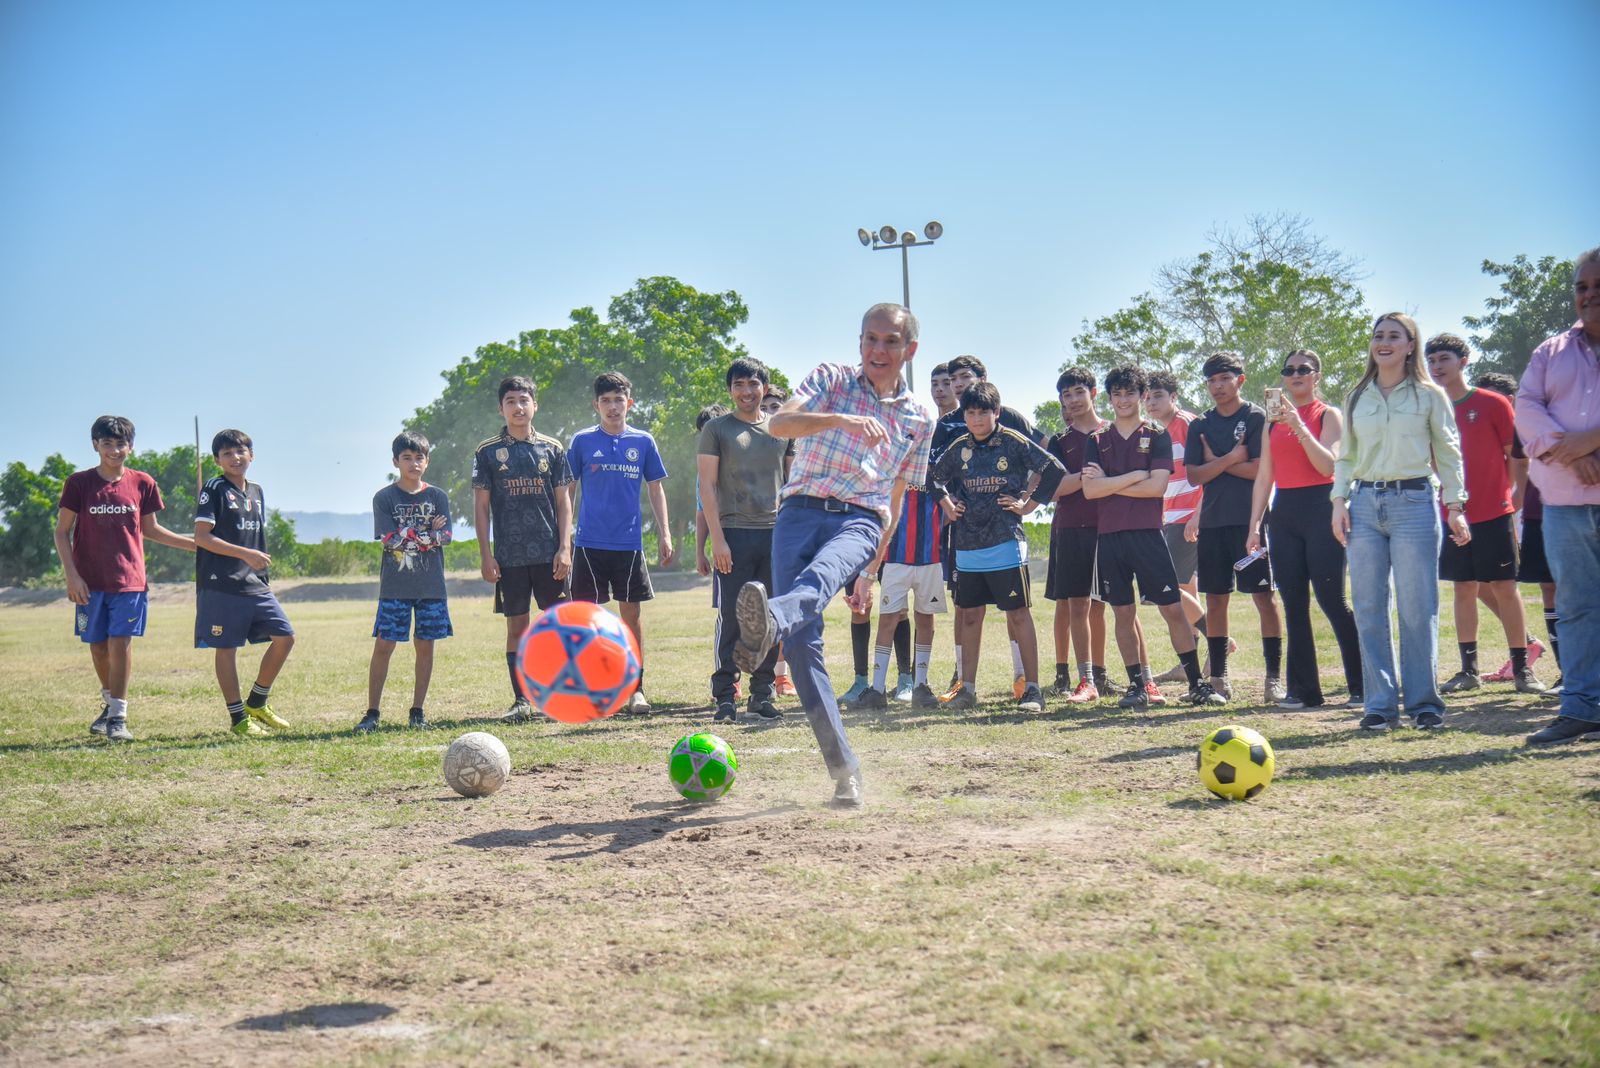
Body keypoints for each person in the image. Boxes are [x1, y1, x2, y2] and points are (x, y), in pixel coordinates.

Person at [732, 302, 935, 808]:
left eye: (890, 341)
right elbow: (780, 425)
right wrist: (841, 419)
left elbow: (899, 492)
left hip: (861, 520)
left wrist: (872, 566)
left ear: (909, 350)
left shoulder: (920, 417)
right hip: (798, 512)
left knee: (820, 580)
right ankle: (845, 770)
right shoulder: (831, 378)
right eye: (870, 339)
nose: (878, 350)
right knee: (802, 651)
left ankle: (772, 618)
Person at [1332, 313, 1468, 731]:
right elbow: (1347, 456)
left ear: (1411, 345)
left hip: (1415, 502)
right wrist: (1338, 499)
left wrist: (1456, 505)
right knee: (1370, 608)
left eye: (1394, 336)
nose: (1384, 342)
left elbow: (1448, 451)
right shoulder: (1357, 396)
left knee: (1417, 608)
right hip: (1365, 505)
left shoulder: (1430, 395)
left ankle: (1425, 704)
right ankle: (1379, 705)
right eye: (1378, 336)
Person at [1082, 365, 1220, 708]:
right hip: (1110, 538)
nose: (1123, 400)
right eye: (1117, 394)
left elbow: (1158, 486)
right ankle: (1136, 686)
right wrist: (1134, 476)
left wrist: (1110, 483)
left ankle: (1196, 683)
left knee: (1173, 609)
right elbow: (1089, 491)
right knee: (1123, 614)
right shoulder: (1096, 440)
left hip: (1148, 535)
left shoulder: (1156, 434)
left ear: (1142, 396)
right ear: (1110, 397)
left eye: (1130, 393)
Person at [54, 415, 195, 742]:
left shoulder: (142, 482)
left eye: (121, 444)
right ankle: (109, 703)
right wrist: (72, 576)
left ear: (130, 446)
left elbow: (151, 530)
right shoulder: (79, 484)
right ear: (95, 445)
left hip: (129, 581)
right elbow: (62, 532)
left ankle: (118, 716)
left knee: (120, 643)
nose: (115, 450)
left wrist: (195, 545)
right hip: (88, 583)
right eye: (107, 444)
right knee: (98, 648)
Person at [928, 382, 1065, 710]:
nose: (977, 420)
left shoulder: (1013, 442)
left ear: (996, 413)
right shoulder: (959, 446)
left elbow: (1053, 470)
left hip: (1006, 542)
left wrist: (1026, 504)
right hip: (968, 545)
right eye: (971, 413)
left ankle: (1032, 689)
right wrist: (947, 504)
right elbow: (932, 476)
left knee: (1018, 614)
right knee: (971, 616)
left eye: (983, 413)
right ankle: (967, 690)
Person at [1425, 334, 1545, 695]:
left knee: (1504, 588)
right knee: (1464, 588)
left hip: (1493, 512)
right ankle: (1468, 670)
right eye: (1431, 361)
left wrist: (1512, 494)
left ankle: (1523, 670)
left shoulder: (1492, 403)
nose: (1436, 366)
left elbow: (1515, 456)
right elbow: (1435, 459)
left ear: (1464, 361)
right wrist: (1452, 503)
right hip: (1453, 514)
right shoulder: (1431, 407)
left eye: (1444, 358)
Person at [1245, 350, 1363, 709]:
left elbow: (1328, 466)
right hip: (1285, 514)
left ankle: (1362, 685)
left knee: (1332, 600)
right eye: (1289, 370)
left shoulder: (1329, 415)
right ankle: (1304, 691)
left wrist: (1298, 425)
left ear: (1317, 376)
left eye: (1303, 370)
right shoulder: (1270, 423)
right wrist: (1254, 525)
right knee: (1294, 603)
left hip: (1322, 509)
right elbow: (1265, 475)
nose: (1295, 375)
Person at [1519, 247, 1600, 745]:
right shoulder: (1550, 352)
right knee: (1575, 607)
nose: (1589, 295)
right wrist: (1569, 453)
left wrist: (1586, 440)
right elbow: (1526, 407)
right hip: (1566, 503)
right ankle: (1583, 707)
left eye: (1599, 286)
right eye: (1582, 287)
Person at [568, 371, 675, 713]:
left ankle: (636, 690)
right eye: (605, 401)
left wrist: (665, 533)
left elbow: (655, 488)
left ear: (629, 403)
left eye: (618, 400)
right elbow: (567, 489)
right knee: (589, 619)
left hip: (629, 545)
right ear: (595, 405)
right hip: (588, 543)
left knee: (631, 616)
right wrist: (565, 533)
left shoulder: (643, 441)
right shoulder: (582, 441)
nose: (612, 407)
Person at [1182, 352, 1284, 703]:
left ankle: (1273, 678)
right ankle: (1220, 678)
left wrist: (1216, 463)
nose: (1217, 386)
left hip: (1250, 523)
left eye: (1224, 378)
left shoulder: (1256, 416)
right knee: (1216, 601)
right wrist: (1229, 459)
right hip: (1213, 522)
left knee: (1264, 599)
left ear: (1240, 379)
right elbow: (1195, 475)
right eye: (1211, 380)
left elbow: (1260, 469)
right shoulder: (1200, 425)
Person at [472, 376, 573, 723]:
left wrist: (564, 548)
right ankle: (522, 700)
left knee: (555, 627)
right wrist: (486, 555)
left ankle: (555, 698)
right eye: (511, 401)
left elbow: (564, 502)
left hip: (549, 555)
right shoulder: (487, 452)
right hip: (510, 557)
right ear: (501, 408)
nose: (518, 406)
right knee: (517, 627)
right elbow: (482, 508)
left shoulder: (553, 448)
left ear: (535, 405)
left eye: (524, 400)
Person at [856, 362, 953, 711]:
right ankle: (877, 689)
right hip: (895, 556)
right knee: (889, 617)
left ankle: (922, 684)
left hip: (929, 557)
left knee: (925, 618)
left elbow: (947, 504)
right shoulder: (886, 466)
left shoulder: (937, 464)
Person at [699, 358, 791, 723]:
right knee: (734, 618)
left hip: (775, 535)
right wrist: (717, 540)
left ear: (764, 388)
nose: (747, 391)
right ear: (730, 390)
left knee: (768, 619)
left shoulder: (782, 429)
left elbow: (792, 484)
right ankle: (725, 696)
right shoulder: (716, 430)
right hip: (734, 535)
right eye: (739, 384)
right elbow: (707, 486)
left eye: (753, 384)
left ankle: (762, 694)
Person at [194, 429, 296, 737]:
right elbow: (202, 537)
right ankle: (238, 718)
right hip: (221, 583)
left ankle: (257, 702)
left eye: (240, 452)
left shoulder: (257, 491)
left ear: (251, 455)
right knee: (227, 648)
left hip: (256, 583)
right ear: (217, 460)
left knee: (285, 637)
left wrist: (255, 561)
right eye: (226, 453)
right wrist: (246, 554)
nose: (235, 458)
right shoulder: (213, 489)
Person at [356, 431, 454, 733]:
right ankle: (372, 713)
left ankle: (417, 712)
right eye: (407, 458)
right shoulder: (384, 497)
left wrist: (411, 536)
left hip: (431, 587)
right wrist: (428, 535)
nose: (414, 463)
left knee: (425, 647)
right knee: (384, 646)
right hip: (395, 587)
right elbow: (390, 540)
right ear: (396, 461)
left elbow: (447, 537)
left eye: (419, 457)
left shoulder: (437, 497)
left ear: (427, 461)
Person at [1474, 373, 1558, 689]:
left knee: (1520, 584)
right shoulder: (1479, 423)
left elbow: (1522, 469)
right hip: (1497, 509)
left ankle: (1529, 655)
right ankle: (1527, 641)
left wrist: (1515, 502)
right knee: (1479, 581)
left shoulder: (1525, 422)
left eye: (1495, 398)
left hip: (1525, 511)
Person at [1145, 372, 1220, 683]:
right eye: (1147, 397)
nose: (1151, 402)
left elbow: (1208, 471)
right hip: (1169, 519)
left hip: (1188, 518)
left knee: (1162, 588)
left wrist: (1198, 515)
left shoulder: (1189, 423)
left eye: (1158, 396)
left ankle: (1218, 641)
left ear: (1174, 397)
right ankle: (1190, 664)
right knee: (1186, 593)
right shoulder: (1156, 432)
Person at [1043, 367, 1110, 703]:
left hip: (1111, 528)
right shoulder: (1059, 441)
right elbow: (1051, 489)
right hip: (1071, 529)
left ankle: (1109, 674)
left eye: (1078, 392)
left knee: (1113, 605)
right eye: (1066, 395)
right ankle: (1083, 678)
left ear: (1094, 393)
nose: (1073, 400)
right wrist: (1085, 478)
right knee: (1076, 605)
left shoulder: (1113, 434)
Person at [761, 385, 797, 697]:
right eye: (767, 406)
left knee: (783, 607)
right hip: (754, 533)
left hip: (786, 534)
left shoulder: (793, 444)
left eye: (777, 407)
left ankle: (781, 676)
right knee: (758, 609)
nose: (772, 412)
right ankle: (758, 678)